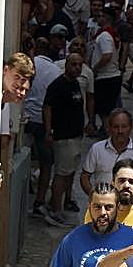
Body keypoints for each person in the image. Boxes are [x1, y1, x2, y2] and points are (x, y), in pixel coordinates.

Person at [80, 108, 133, 205]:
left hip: (131, 207)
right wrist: (93, 196)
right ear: (109, 128)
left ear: (130, 128)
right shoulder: (97, 149)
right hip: (103, 207)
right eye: (116, 127)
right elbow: (85, 176)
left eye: (124, 126)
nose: (120, 131)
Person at [43, 52, 85, 225]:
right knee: (61, 173)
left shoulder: (75, 83)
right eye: (73, 64)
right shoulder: (57, 85)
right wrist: (49, 131)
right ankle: (55, 209)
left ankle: (60, 204)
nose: (77, 68)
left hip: (75, 136)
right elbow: (47, 107)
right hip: (63, 137)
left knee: (69, 173)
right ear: (67, 65)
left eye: (79, 64)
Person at [24, 38, 63, 221]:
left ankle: (26, 190)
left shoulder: (30, 65)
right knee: (46, 164)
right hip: (44, 122)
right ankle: (39, 200)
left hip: (25, 118)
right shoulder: (56, 71)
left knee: (23, 157)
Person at [91, 5, 122, 130]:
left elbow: (107, 55)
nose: (98, 19)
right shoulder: (110, 34)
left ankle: (107, 131)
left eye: (100, 16)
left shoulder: (105, 36)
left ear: (106, 18)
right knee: (105, 108)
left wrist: (95, 68)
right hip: (109, 76)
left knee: (104, 109)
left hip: (106, 76)